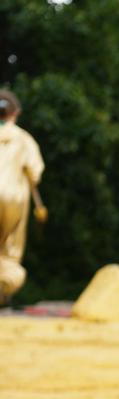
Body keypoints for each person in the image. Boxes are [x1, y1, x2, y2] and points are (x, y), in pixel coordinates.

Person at [0, 89, 44, 306]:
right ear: (14, 113)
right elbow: (35, 173)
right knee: (9, 248)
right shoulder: (23, 139)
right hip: (13, 199)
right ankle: (3, 293)